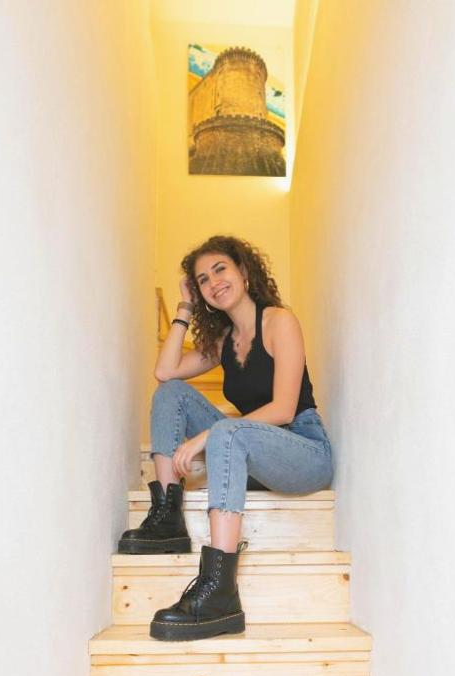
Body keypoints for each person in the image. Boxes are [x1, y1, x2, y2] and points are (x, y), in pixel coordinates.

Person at [117, 235, 334, 641]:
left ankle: (219, 588)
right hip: (253, 457)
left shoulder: (279, 322)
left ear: (244, 271)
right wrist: (184, 308)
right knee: (171, 393)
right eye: (202, 279)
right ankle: (166, 516)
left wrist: (209, 435)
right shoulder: (223, 342)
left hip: (303, 451)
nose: (213, 282)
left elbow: (284, 409)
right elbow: (165, 372)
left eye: (220, 269)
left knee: (227, 432)